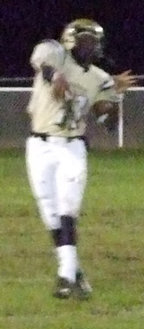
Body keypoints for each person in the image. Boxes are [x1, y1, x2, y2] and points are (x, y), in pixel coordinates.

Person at [26, 18, 137, 298]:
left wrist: (113, 100)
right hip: (39, 145)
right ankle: (74, 271)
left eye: (93, 41)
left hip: (71, 145)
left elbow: (107, 121)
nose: (90, 46)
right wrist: (56, 77)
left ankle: (64, 277)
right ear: (71, 40)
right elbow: (43, 61)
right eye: (85, 40)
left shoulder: (99, 77)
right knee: (49, 212)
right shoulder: (55, 53)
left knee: (67, 208)